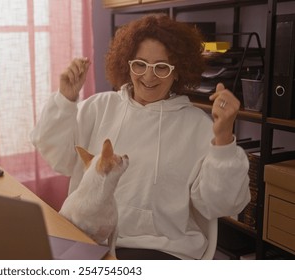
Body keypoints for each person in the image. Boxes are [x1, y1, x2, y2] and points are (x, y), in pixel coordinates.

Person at [30, 14, 250, 260]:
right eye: (140, 64)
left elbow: (220, 204)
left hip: (160, 249)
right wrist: (65, 99)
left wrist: (223, 141)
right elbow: (58, 158)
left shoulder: (197, 126)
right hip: (89, 238)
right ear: (127, 64)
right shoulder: (99, 107)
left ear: (177, 72)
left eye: (162, 67)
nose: (148, 76)